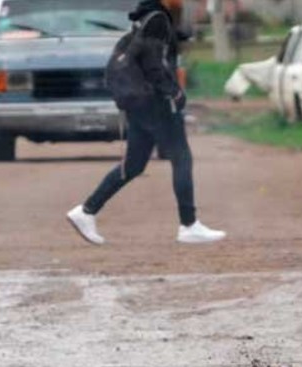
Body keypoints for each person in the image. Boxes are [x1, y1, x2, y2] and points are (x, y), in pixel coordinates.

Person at [67, 0, 225, 245]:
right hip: (155, 101)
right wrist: (174, 92)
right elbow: (153, 64)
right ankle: (189, 224)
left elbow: (147, 52)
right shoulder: (157, 20)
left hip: (139, 102)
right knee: (181, 157)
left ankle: (86, 211)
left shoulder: (148, 16)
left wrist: (180, 35)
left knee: (133, 166)